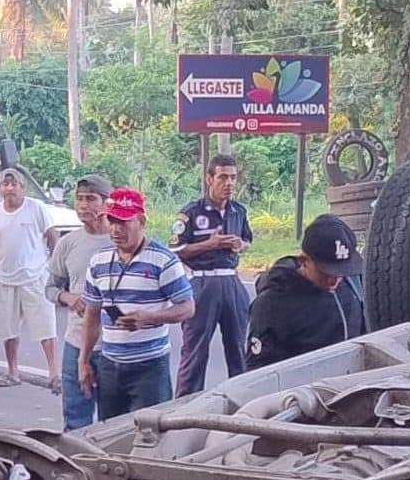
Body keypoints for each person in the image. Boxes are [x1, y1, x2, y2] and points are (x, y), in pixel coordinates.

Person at [78, 188, 195, 421]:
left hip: (150, 368)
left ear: (141, 221)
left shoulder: (163, 260)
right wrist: (84, 361)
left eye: (123, 222)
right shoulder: (99, 261)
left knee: (149, 435)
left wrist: (149, 317)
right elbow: (91, 314)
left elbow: (187, 307)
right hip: (109, 365)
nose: (116, 229)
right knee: (111, 435)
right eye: (111, 221)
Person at [169, 154, 254, 396]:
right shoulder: (191, 213)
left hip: (231, 280)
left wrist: (239, 244)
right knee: (195, 351)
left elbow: (248, 240)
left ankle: (242, 405)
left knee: (238, 348)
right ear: (209, 178)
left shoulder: (239, 211)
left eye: (233, 178)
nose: (229, 183)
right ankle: (184, 408)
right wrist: (210, 244)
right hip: (202, 281)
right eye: (223, 177)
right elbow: (176, 249)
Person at [246, 215, 367, 370]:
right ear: (304, 261)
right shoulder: (272, 303)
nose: (334, 280)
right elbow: (257, 369)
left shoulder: (352, 283)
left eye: (342, 271)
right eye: (326, 272)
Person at [45, 174, 113, 430]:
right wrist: (68, 297)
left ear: (106, 203)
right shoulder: (67, 243)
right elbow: (50, 287)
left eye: (91, 199)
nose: (83, 205)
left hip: (113, 345)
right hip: (76, 340)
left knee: (113, 420)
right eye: (80, 199)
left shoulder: (120, 239)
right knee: (75, 418)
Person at [0, 167, 59, 389]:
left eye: (14, 184)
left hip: (35, 275)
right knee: (8, 329)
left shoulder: (36, 208)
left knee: (45, 326)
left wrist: (53, 266)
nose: (10, 189)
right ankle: (12, 372)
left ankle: (54, 374)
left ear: (22, 188)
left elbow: (52, 237)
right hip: (5, 278)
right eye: (5, 185)